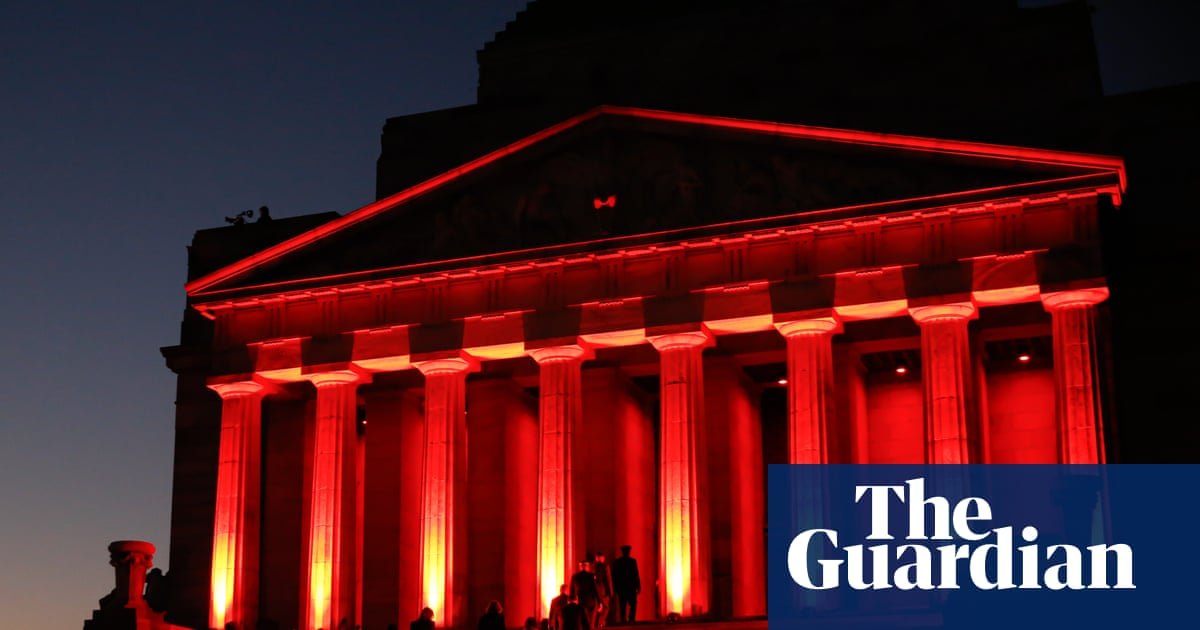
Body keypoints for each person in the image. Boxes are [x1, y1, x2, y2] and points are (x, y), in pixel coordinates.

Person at [611, 545, 641, 624]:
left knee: (623, 605)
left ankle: (624, 619)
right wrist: (638, 586)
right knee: (632, 604)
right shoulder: (632, 562)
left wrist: (615, 587)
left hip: (622, 587)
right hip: (630, 587)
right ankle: (631, 618)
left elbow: (614, 576)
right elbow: (636, 575)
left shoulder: (618, 562)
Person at [570, 560, 600, 629]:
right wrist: (599, 601)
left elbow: (572, 590)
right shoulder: (591, 576)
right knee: (590, 621)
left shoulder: (575, 577)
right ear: (587, 566)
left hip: (579, 601)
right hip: (590, 602)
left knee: (582, 621)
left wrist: (572, 600)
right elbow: (595, 589)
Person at [593, 552, 612, 629]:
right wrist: (610, 592)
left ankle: (597, 624)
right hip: (603, 591)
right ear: (602, 558)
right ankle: (600, 623)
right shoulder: (605, 566)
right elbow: (608, 580)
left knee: (597, 608)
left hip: (594, 591)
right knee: (606, 607)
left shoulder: (592, 567)